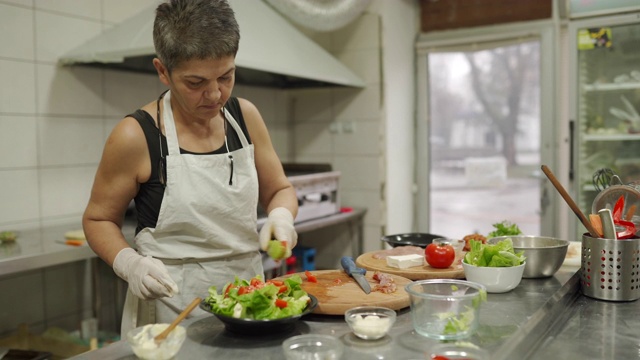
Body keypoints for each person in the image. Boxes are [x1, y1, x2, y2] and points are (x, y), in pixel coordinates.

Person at [82, 0, 298, 335]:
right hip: (171, 308)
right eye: (195, 83)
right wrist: (130, 264)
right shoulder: (136, 135)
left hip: (248, 300)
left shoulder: (245, 117)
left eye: (226, 76)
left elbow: (280, 190)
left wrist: (281, 217)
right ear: (162, 70)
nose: (215, 94)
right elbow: (97, 219)